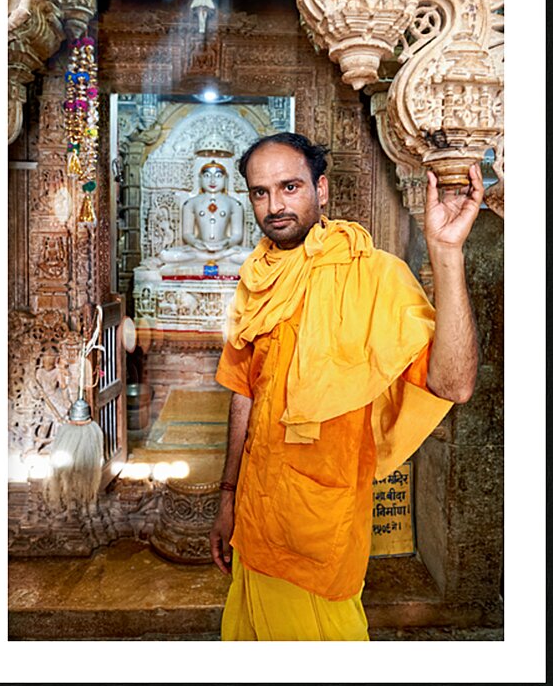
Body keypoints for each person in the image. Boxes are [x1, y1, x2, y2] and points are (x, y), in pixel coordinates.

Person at [209, 131, 482, 641]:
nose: (275, 206)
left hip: (321, 522)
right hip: (255, 514)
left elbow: (454, 384)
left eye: (290, 187)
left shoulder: (374, 275)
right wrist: (227, 498)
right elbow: (244, 391)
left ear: (322, 189)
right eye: (260, 192)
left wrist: (447, 253)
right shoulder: (256, 277)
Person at [157, 161, 251, 274]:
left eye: (218, 176)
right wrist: (196, 243)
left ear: (225, 179)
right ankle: (217, 257)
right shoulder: (191, 203)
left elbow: (237, 235)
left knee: (252, 256)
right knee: (165, 255)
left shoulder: (234, 204)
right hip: (198, 250)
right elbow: (187, 234)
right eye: (207, 176)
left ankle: (219, 256)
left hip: (226, 249)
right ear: (200, 179)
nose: (212, 181)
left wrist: (226, 244)